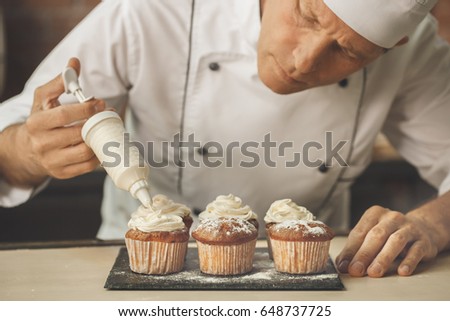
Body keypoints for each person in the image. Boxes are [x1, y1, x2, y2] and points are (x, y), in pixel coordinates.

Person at [0, 0, 449, 278]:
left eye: (349, 51)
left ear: (395, 43)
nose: (304, 60)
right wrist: (27, 150)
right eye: (306, 12)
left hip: (309, 278)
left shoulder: (415, 50)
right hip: (136, 266)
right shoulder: (150, 9)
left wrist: (434, 222)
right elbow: (10, 138)